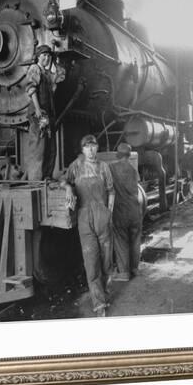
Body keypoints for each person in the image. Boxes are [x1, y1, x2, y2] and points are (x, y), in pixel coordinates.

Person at [61, 135, 115, 317]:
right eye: (87, 147)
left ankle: (105, 293)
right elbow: (64, 180)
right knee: (91, 264)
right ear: (82, 149)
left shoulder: (104, 167)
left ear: (97, 148)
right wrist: (68, 188)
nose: (91, 150)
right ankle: (99, 304)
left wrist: (109, 213)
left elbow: (111, 191)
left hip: (103, 217)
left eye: (93, 146)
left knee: (106, 262)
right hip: (85, 219)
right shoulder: (76, 165)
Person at [24, 44, 64, 180]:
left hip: (48, 115)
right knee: (38, 147)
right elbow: (31, 89)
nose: (46, 58)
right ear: (38, 57)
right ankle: (36, 180)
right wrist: (37, 109)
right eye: (44, 56)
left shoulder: (47, 74)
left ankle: (47, 176)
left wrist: (56, 60)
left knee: (51, 148)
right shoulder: (35, 69)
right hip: (39, 115)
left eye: (48, 56)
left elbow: (60, 77)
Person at [109, 143, 143, 281]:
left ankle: (123, 273)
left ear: (118, 155)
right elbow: (138, 185)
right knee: (135, 240)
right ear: (129, 156)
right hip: (135, 211)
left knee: (121, 240)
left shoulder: (112, 168)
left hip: (121, 211)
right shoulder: (133, 170)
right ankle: (134, 269)